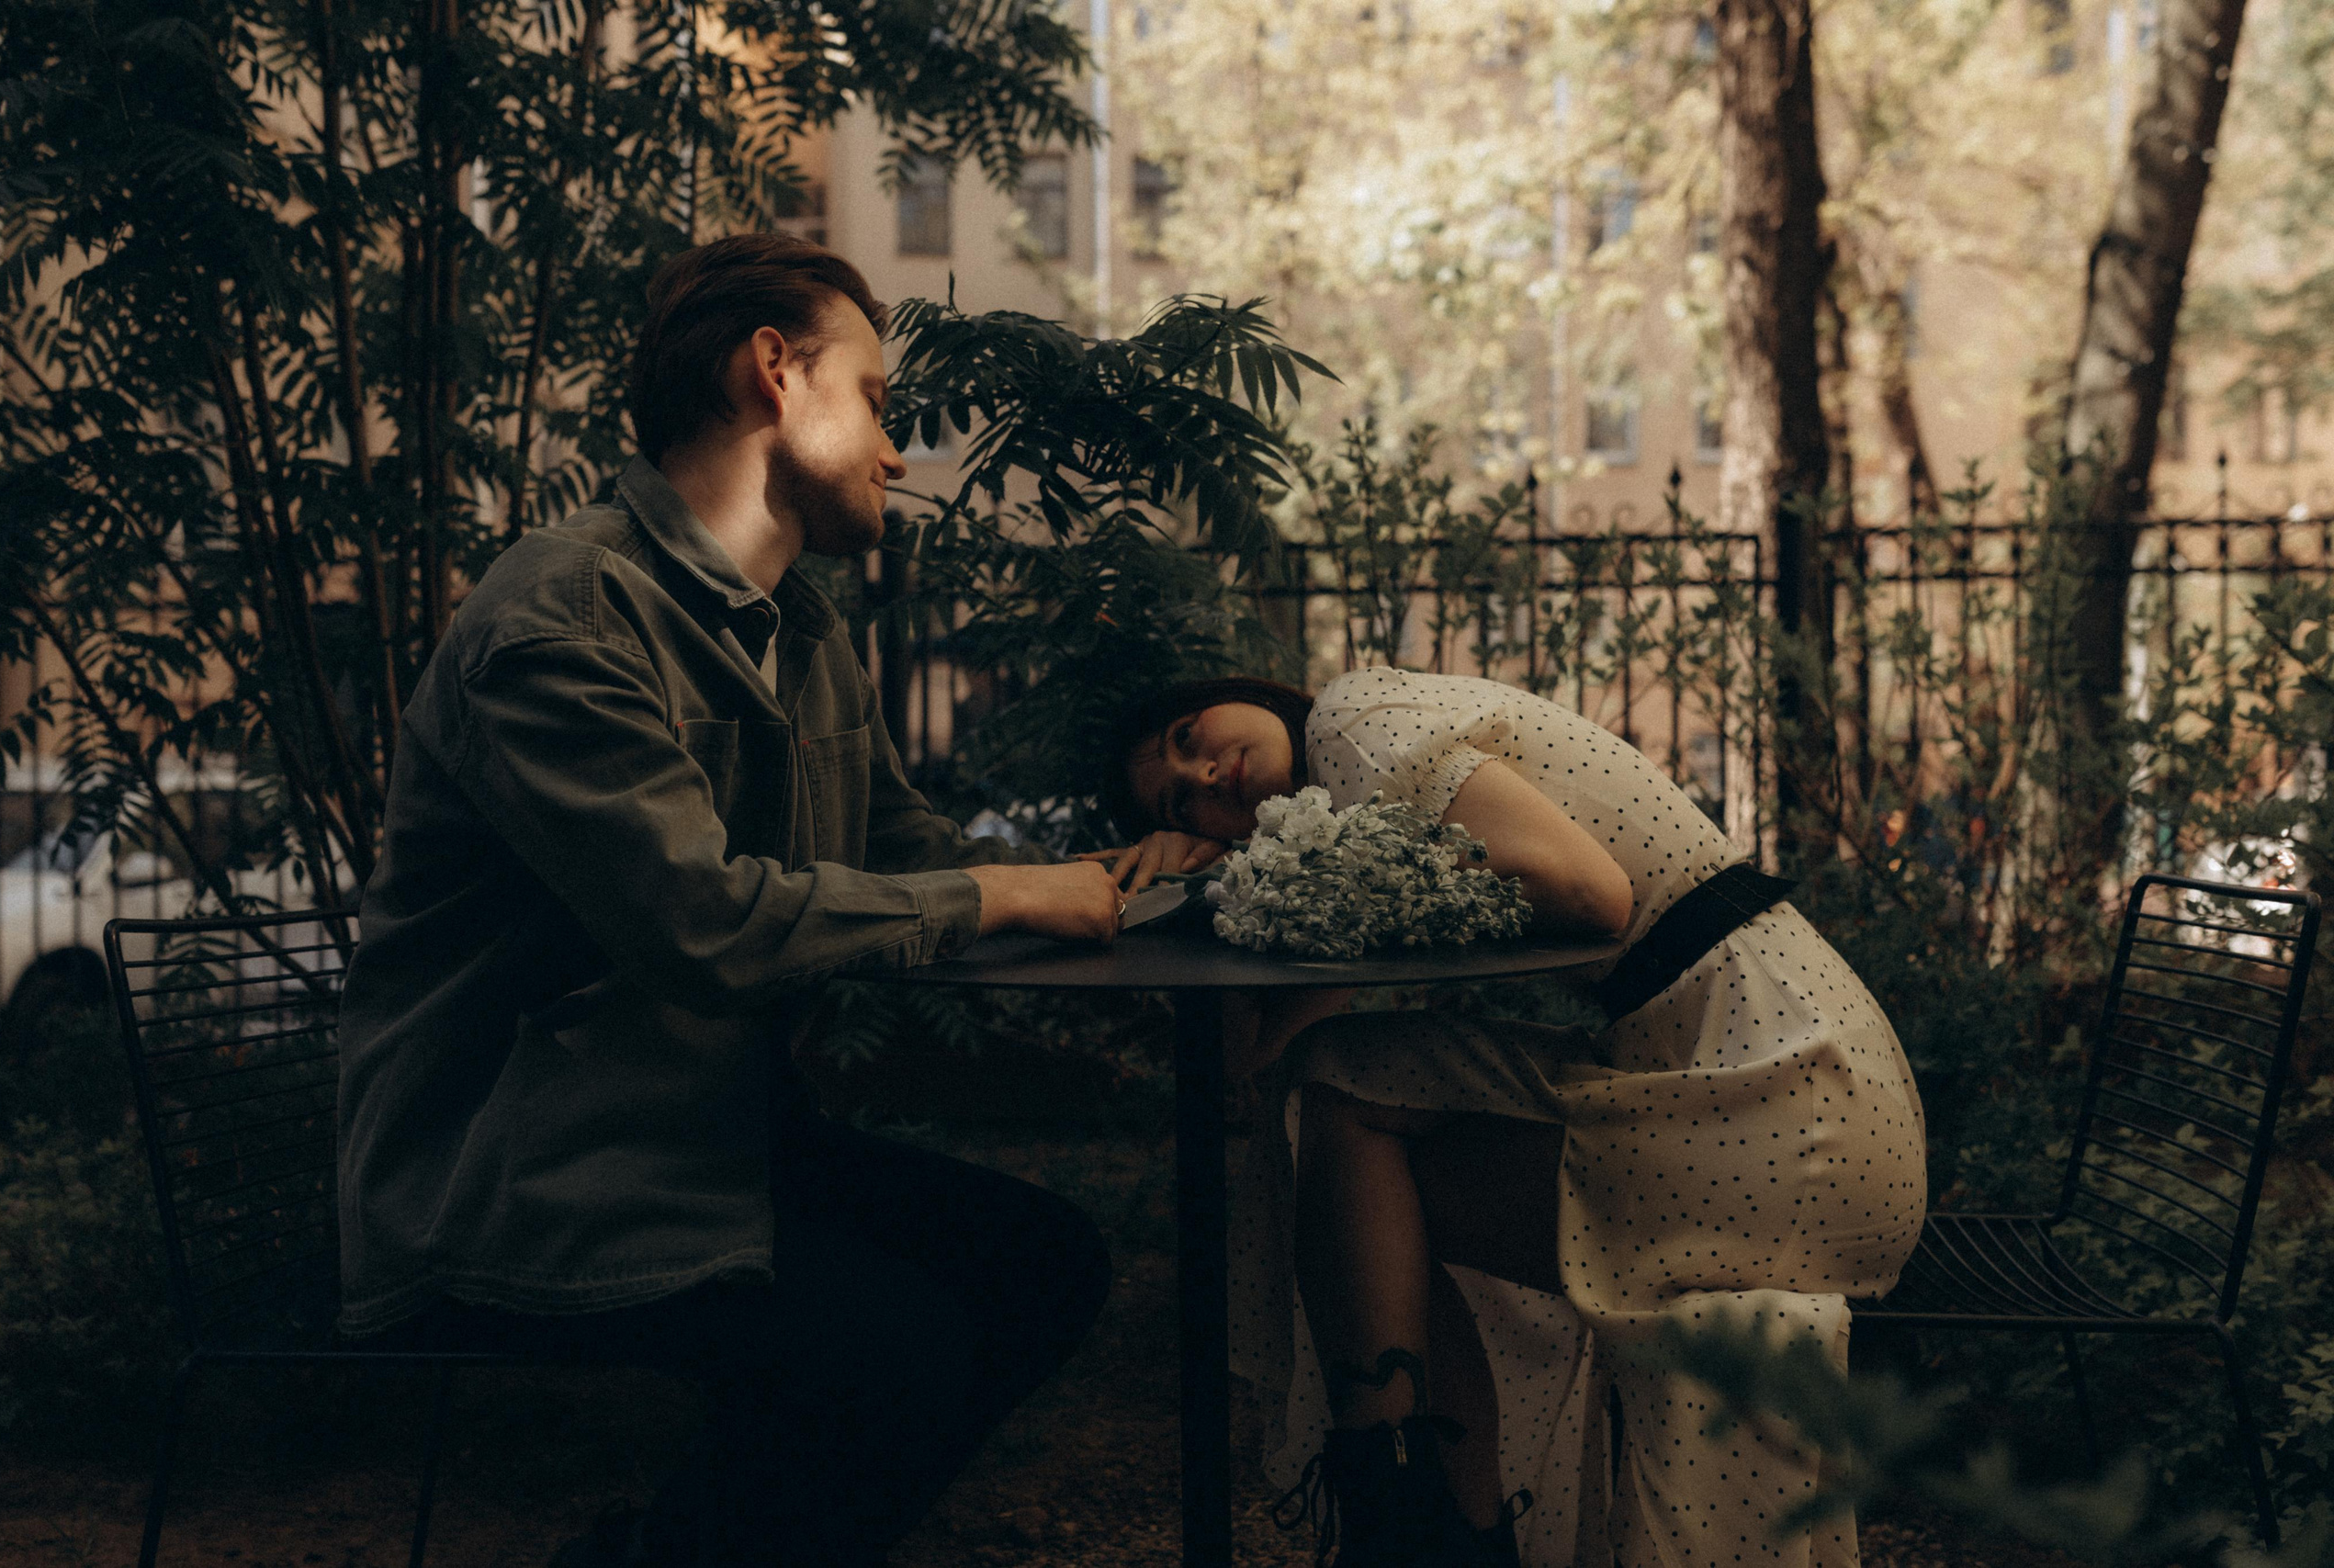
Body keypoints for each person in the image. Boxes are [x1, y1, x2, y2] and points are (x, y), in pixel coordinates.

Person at [335, 233, 1125, 1568]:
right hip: (536, 1167)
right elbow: (701, 921)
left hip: (712, 1135)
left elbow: (904, 849)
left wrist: (1118, 891)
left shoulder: (800, 627)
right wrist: (1004, 892)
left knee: (1043, 1261)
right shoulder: (561, 617)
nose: (895, 451)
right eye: (876, 398)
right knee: (898, 1353)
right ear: (774, 372)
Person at [1095, 671, 1928, 1568]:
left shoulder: (1354, 718)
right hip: (1778, 1088)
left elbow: (1589, 892)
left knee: (1355, 1130)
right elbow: (1265, 1062)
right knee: (1339, 1092)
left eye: (1189, 732)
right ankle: (1439, 1526)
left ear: (1240, 691)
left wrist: (1259, 873)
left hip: (1792, 1099)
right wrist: (1211, 898)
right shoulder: (1348, 816)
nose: (1206, 774)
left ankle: (1410, 1529)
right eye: (1181, 802)